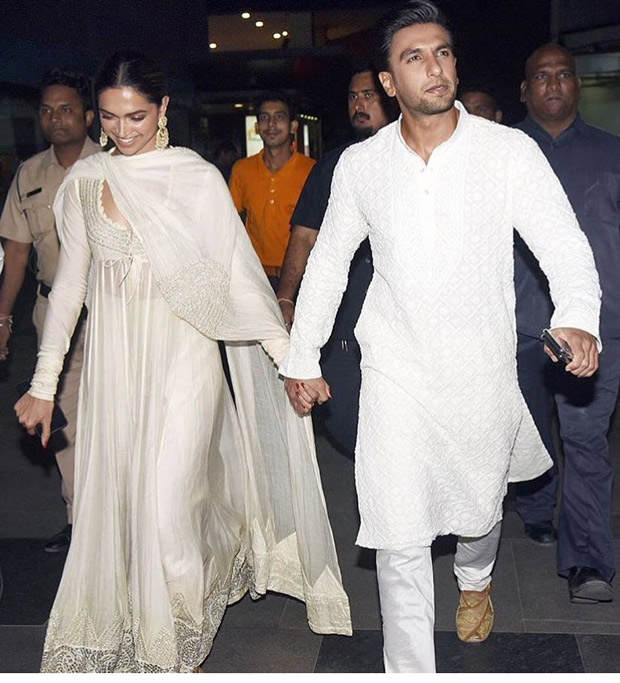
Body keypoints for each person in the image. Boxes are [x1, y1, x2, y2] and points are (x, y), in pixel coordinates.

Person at [279, 1, 601, 673]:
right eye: (415, 57)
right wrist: (301, 355)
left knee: (480, 513)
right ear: (389, 82)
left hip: (479, 369)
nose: (436, 67)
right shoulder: (362, 166)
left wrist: (576, 314)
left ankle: (476, 579)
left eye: (444, 52)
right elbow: (330, 261)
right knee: (397, 534)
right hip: (394, 369)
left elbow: (563, 243)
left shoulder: (507, 152)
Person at [14, 50, 350, 673]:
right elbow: (68, 289)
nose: (123, 131)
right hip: (118, 367)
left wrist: (291, 362)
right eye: (111, 118)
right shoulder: (85, 185)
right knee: (133, 505)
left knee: (169, 505)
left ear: (164, 108)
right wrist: (43, 382)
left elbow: (237, 277)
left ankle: (178, 646)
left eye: (137, 115)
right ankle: (182, 592)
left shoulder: (194, 177)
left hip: (187, 357)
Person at [514, 43, 620, 603]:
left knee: (585, 440)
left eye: (563, 75)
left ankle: (588, 562)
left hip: (599, 330)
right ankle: (536, 507)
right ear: (525, 91)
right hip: (520, 325)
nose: (553, 84)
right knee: (528, 432)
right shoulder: (502, 155)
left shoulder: (612, 154)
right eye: (541, 77)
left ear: (577, 85)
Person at [0, 69, 99, 552]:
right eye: (46, 110)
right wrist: (2, 319)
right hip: (51, 309)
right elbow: (16, 253)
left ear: (88, 116)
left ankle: (119, 515)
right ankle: (80, 519)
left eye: (66, 109)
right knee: (65, 415)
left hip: (110, 310)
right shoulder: (29, 174)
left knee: (120, 413)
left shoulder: (113, 167)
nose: (56, 118)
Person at [277, 65, 393, 457]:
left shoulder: (410, 157)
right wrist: (287, 297)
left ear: (391, 93)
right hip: (344, 322)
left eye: (368, 95)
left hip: (400, 320)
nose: (359, 104)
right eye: (352, 96)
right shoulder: (332, 165)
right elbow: (305, 236)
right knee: (347, 423)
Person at [228, 92, 315, 290]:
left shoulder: (312, 170)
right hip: (255, 277)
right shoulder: (242, 170)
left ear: (293, 126)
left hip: (301, 278)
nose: (271, 124)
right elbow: (230, 222)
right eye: (265, 118)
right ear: (257, 127)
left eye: (279, 117)